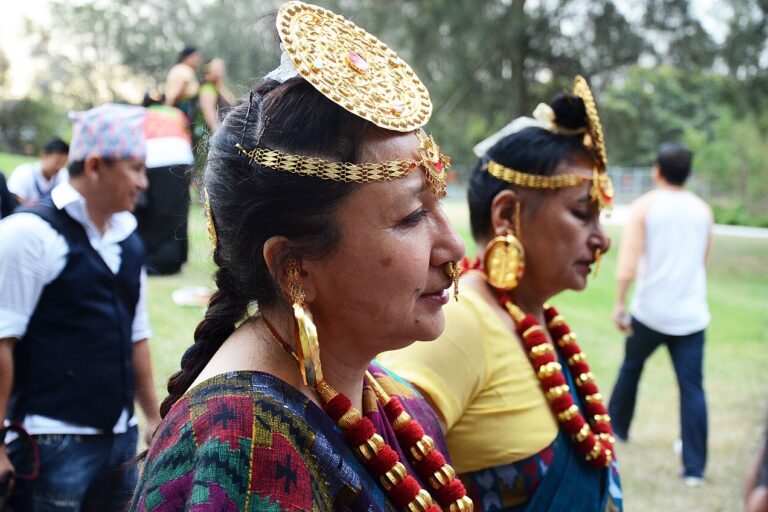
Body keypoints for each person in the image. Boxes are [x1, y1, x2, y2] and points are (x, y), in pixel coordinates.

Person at [130, 2, 471, 511]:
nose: (453, 248)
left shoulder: (371, 389)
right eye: (410, 217)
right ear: (294, 268)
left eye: (436, 204)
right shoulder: (246, 452)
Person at [380, 77, 623, 511]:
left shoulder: (536, 319)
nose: (601, 240)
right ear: (507, 213)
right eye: (583, 214)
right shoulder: (459, 321)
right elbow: (385, 475)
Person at [0, 103, 162, 511]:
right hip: (51, 443)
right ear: (94, 166)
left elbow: (136, 335)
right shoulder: (28, 233)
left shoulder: (129, 240)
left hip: (119, 441)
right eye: (136, 168)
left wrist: (152, 415)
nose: (144, 183)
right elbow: (2, 343)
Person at [607, 143, 712, 486]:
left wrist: (620, 303)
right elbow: (702, 260)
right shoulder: (703, 210)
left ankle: (617, 431)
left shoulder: (646, 206)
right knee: (692, 388)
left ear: (656, 171)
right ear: (688, 173)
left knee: (631, 369)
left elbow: (629, 260)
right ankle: (694, 469)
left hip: (650, 312)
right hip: (691, 316)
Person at [136, 93, 195, 275]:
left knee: (153, 210)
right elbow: (187, 135)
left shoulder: (139, 114)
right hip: (179, 155)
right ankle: (176, 259)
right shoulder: (175, 113)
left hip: (151, 157)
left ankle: (154, 261)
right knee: (177, 211)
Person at [7, 137, 69, 204]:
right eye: (57, 162)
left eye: (63, 163)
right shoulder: (23, 173)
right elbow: (12, 200)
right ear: (44, 156)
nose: (60, 167)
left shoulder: (63, 175)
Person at [193, 57, 235, 142]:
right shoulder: (207, 89)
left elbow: (233, 103)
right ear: (207, 71)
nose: (221, 70)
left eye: (222, 67)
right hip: (212, 138)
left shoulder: (217, 87)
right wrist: (219, 138)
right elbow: (210, 117)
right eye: (217, 68)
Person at [164, 46, 201, 126]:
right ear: (186, 57)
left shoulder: (178, 68)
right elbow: (178, 90)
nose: (197, 59)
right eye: (195, 56)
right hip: (181, 107)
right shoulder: (185, 70)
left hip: (177, 106)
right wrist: (166, 108)